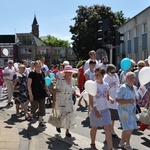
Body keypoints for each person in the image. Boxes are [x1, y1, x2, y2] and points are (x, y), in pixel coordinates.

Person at [89, 67, 113, 150]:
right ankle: (92, 143)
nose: (96, 76)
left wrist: (110, 99)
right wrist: (95, 111)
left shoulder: (106, 85)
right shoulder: (93, 85)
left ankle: (110, 148)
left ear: (103, 75)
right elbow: (91, 100)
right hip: (95, 110)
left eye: (98, 75)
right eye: (95, 75)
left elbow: (107, 95)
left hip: (105, 110)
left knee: (108, 129)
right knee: (94, 128)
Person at [53, 65, 79, 137]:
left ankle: (67, 131)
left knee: (69, 116)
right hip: (61, 100)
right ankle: (58, 125)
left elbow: (74, 89)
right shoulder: (60, 80)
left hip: (69, 100)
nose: (69, 74)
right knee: (62, 115)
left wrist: (76, 93)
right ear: (64, 73)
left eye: (70, 72)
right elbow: (55, 90)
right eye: (67, 72)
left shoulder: (73, 80)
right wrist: (54, 101)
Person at [116, 72, 139, 150]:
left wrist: (137, 101)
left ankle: (122, 142)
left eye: (133, 77)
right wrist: (128, 101)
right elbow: (117, 99)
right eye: (129, 77)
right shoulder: (123, 87)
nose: (131, 79)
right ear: (125, 78)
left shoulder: (135, 88)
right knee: (130, 127)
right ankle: (127, 144)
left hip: (132, 111)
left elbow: (136, 98)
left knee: (127, 127)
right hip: (123, 111)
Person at [27, 60, 49, 127]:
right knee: (34, 107)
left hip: (42, 93)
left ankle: (40, 121)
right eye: (37, 66)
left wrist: (47, 91)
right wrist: (30, 94)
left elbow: (44, 83)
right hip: (34, 93)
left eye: (40, 66)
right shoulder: (32, 73)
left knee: (42, 108)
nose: (39, 67)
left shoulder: (42, 73)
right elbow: (28, 85)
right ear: (34, 66)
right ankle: (31, 115)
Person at [103, 64, 120, 138]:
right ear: (108, 71)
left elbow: (118, 84)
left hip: (115, 98)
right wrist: (110, 86)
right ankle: (110, 130)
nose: (113, 73)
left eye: (114, 72)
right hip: (109, 100)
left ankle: (110, 129)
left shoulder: (115, 75)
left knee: (113, 117)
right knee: (110, 116)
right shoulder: (105, 78)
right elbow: (104, 89)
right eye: (112, 72)